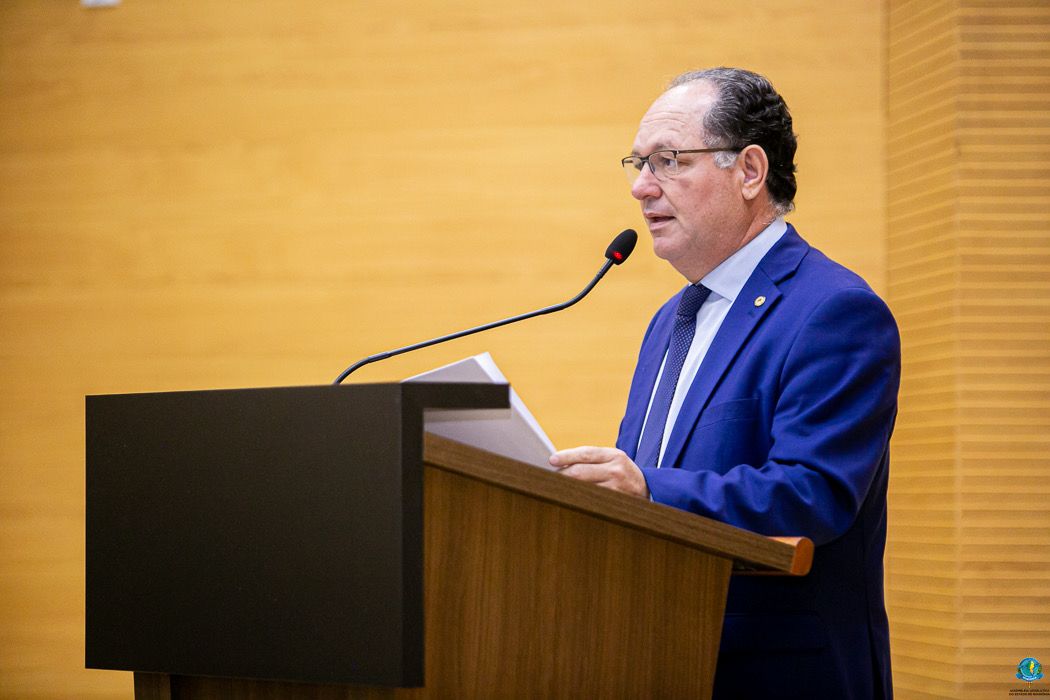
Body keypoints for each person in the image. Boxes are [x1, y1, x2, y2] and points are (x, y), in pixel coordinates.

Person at [549, 68, 900, 699]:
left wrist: (646, 489)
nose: (640, 186)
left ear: (749, 171)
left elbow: (813, 493)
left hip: (779, 675)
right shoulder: (671, 319)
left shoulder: (834, 310)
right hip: (660, 661)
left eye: (668, 161)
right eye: (639, 163)